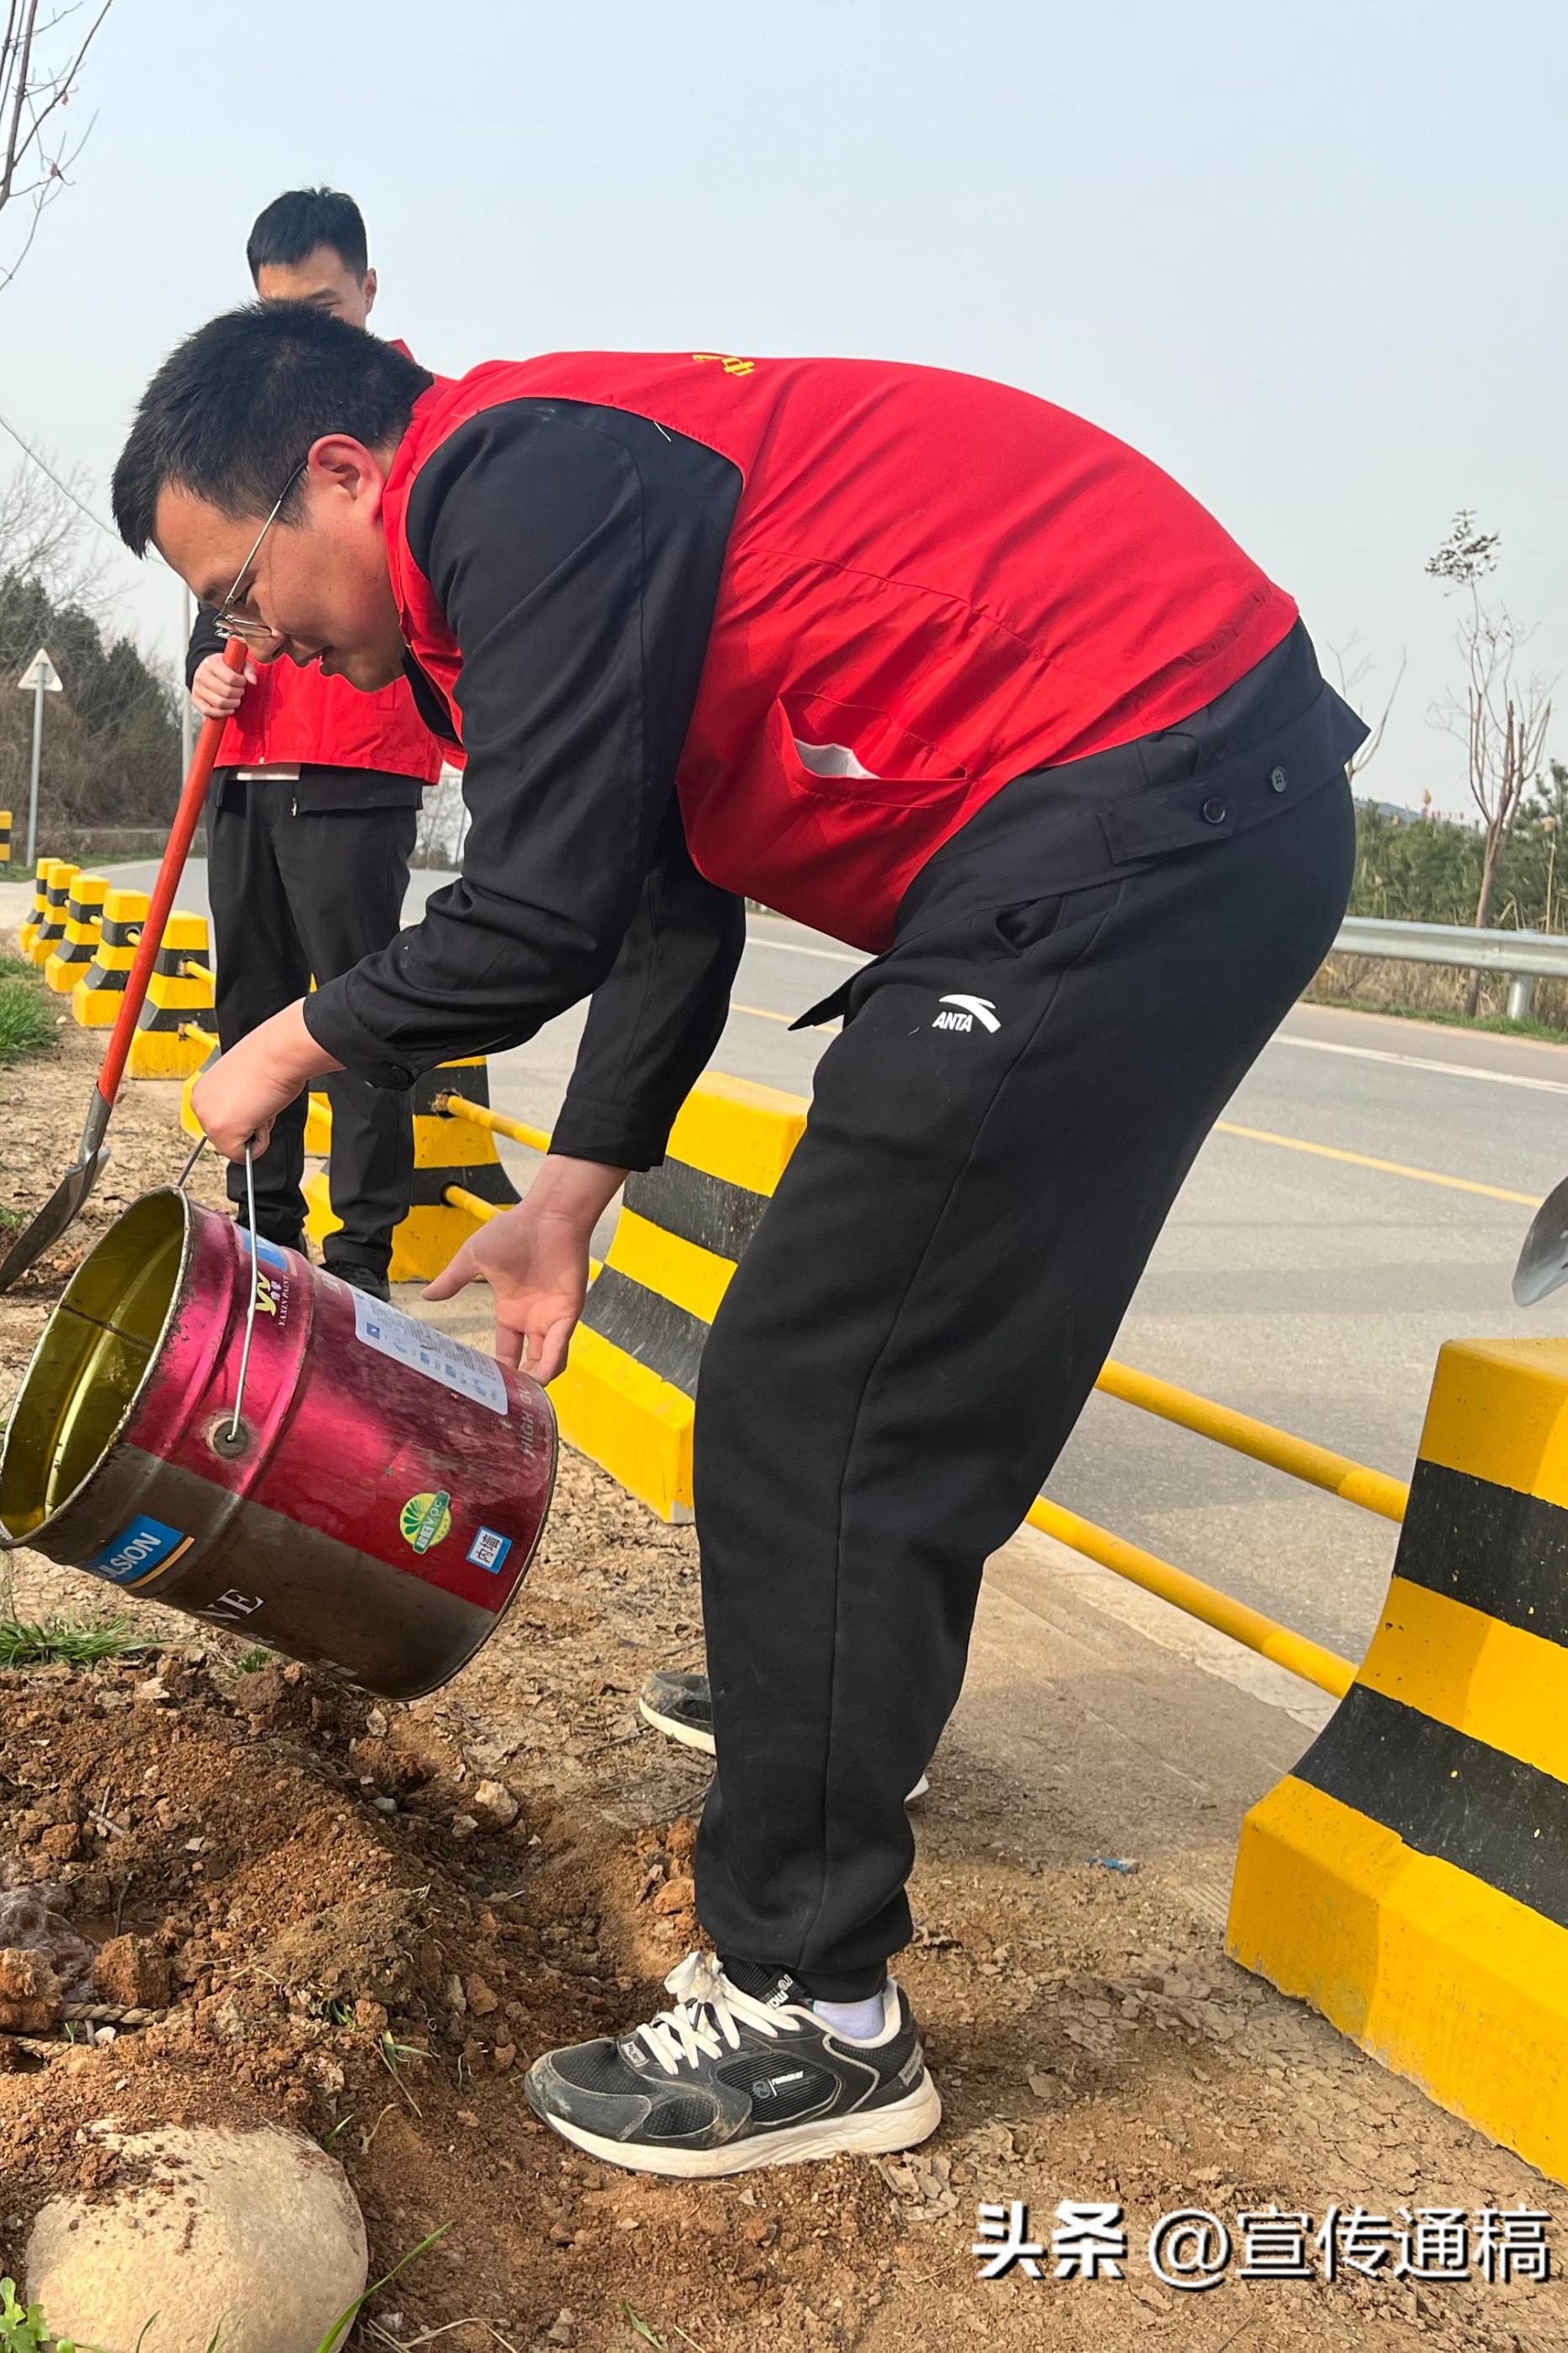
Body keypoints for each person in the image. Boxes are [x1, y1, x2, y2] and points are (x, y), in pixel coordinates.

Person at [109, 306, 1361, 2178]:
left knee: (813, 1390)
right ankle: (834, 1717)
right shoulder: (537, 544)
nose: (252, 640)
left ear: (342, 474)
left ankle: (813, 2007)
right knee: (877, 1370)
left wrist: (284, 1039)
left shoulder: (508, 479)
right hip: (1138, 813)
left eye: (241, 582)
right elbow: (659, 907)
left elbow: (528, 919)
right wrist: (567, 1199)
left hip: (1140, 797)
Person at [180, 190, 446, 1300]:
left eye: (322, 307)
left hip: (357, 762)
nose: (296, 334)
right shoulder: (244, 433)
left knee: (354, 1015)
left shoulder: (412, 417)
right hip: (245, 758)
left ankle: (360, 1262)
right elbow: (217, 593)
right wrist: (205, 659)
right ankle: (265, 1240)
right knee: (250, 1011)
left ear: (370, 294)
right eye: (273, 313)